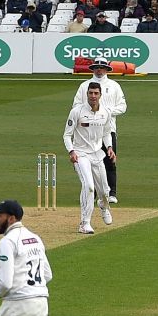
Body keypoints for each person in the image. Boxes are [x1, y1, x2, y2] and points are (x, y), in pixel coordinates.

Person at [64, 59, 127, 201]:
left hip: (107, 129)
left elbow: (123, 107)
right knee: (89, 163)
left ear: (107, 69)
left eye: (102, 68)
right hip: (86, 131)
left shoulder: (114, 86)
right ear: (93, 69)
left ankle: (111, 193)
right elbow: (76, 105)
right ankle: (92, 193)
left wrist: (107, 112)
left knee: (109, 161)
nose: (99, 70)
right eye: (97, 68)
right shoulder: (84, 86)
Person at [63, 81, 116, 235]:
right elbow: (67, 135)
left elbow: (107, 133)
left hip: (97, 154)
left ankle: (104, 206)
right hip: (81, 154)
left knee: (104, 191)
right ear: (87, 94)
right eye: (90, 93)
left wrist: (110, 148)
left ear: (100, 95)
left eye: (96, 93)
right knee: (88, 186)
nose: (93, 96)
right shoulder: (76, 111)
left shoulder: (105, 112)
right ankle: (84, 223)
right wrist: (71, 151)